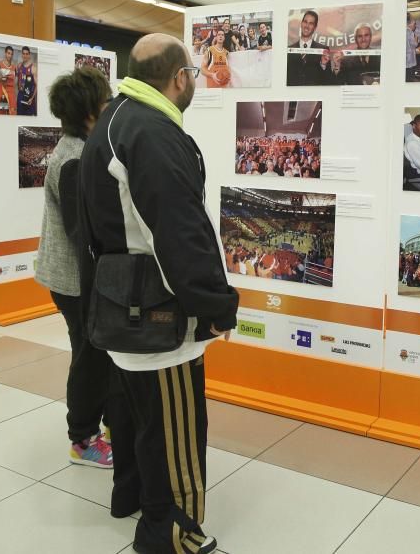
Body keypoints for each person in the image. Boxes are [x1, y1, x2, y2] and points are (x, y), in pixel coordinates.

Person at [79, 33, 238, 554]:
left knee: (136, 420)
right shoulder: (151, 131)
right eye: (191, 73)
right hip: (157, 316)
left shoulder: (114, 120)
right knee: (174, 431)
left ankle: (132, 498)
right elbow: (179, 232)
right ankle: (170, 533)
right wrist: (215, 306)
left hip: (120, 305)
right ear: (179, 78)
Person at [33, 67, 116, 471]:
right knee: (90, 355)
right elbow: (79, 229)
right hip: (75, 280)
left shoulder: (84, 147)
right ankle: (82, 438)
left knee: (99, 352)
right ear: (88, 112)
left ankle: (107, 423)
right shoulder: (74, 158)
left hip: (84, 277)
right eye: (105, 100)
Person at [287, 10, 325, 86]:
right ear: (301, 23)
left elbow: (328, 80)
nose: (307, 26)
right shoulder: (289, 50)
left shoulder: (323, 50)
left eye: (311, 23)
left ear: (315, 27)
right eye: (305, 22)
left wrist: (323, 64)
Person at [0, 45, 17, 114]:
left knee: (12, 115)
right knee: (2, 116)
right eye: (8, 53)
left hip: (11, 95)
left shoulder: (14, 67)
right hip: (2, 94)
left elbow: (14, 82)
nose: (10, 55)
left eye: (11, 54)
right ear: (5, 53)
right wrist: (0, 78)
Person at [16, 46, 37, 115]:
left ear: (29, 55)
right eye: (23, 53)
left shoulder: (33, 68)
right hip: (20, 95)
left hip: (29, 97)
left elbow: (37, 85)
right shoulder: (19, 66)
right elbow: (16, 80)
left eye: (26, 54)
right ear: (22, 54)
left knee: (29, 119)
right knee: (19, 117)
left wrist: (32, 98)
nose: (25, 55)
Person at [406, 14, 419, 82]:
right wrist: (416, 38)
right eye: (414, 24)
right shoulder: (410, 32)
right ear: (410, 24)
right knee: (410, 78)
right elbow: (414, 44)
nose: (415, 26)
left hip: (405, 57)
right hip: (409, 58)